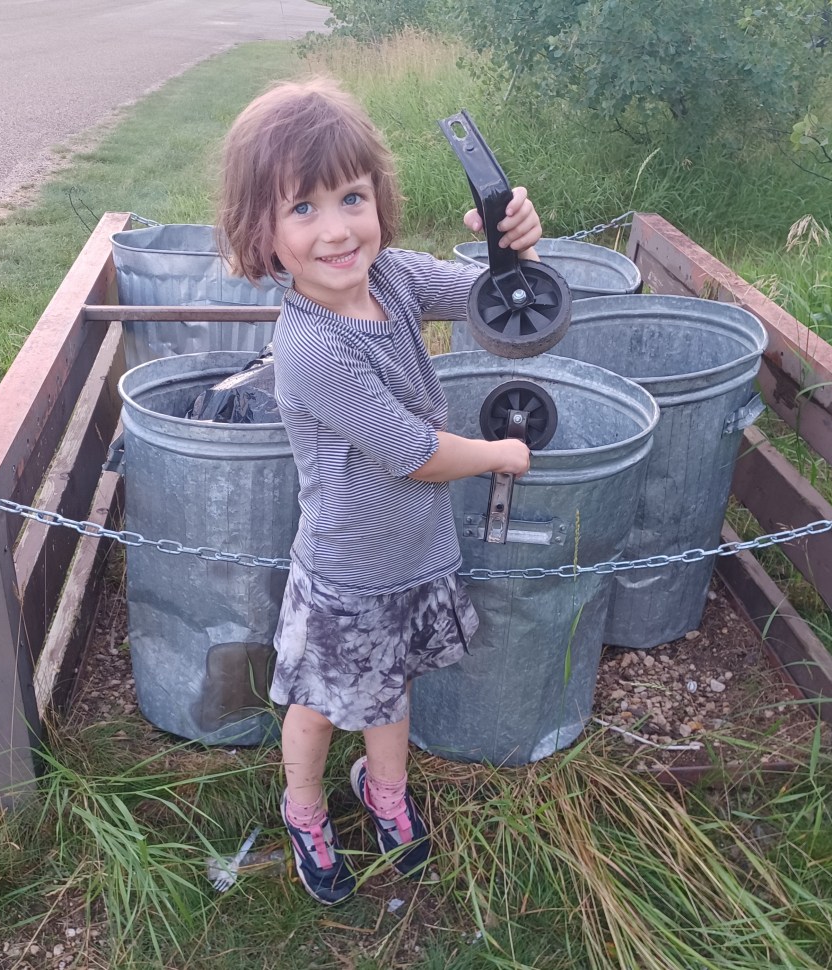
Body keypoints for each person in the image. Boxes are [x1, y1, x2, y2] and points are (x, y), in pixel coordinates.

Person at [217, 77, 541, 906]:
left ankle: (383, 791)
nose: (336, 229)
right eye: (303, 209)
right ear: (262, 231)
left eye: (351, 197)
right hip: (349, 573)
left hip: (416, 555)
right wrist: (501, 452)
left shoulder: (391, 277)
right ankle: (304, 807)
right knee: (323, 706)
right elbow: (410, 454)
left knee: (390, 687)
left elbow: (484, 302)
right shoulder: (309, 348)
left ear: (378, 199)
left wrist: (512, 254)